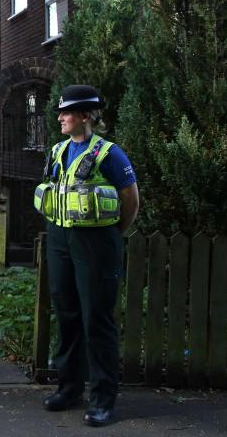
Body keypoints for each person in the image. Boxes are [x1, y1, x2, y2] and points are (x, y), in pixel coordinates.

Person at [34, 85, 140, 427]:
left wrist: (112, 236)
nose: (60, 117)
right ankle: (69, 388)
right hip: (59, 239)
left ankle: (103, 399)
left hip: (95, 243)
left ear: (84, 116)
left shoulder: (109, 154)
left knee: (97, 319)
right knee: (66, 314)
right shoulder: (57, 150)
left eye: (66, 112)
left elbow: (131, 200)